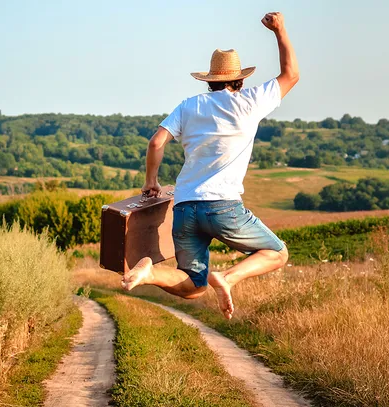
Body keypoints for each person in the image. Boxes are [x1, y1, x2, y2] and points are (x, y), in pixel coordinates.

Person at [121, 12, 299, 319]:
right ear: (240, 80)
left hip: (186, 206)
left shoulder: (189, 106)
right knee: (277, 253)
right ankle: (228, 278)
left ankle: (149, 274)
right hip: (223, 208)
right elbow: (291, 74)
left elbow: (156, 142)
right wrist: (280, 31)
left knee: (194, 284)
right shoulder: (250, 102)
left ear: (210, 80)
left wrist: (151, 181)